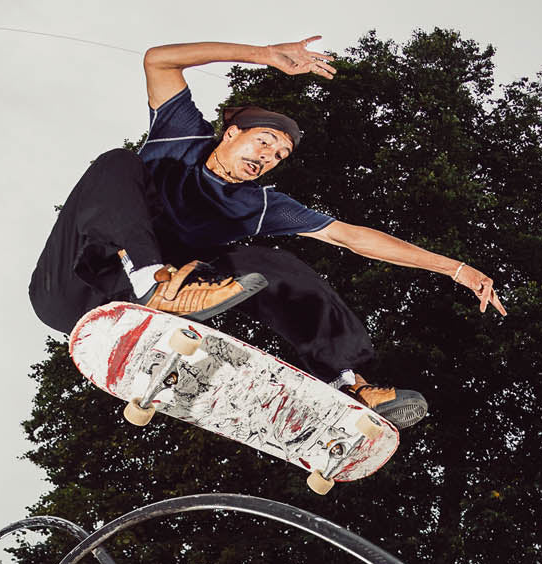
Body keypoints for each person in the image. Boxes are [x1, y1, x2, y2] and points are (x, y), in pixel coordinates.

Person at [29, 36, 506, 429]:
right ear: (230, 133)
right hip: (71, 284)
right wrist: (264, 56)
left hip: (146, 303)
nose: (267, 157)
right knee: (118, 162)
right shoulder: (181, 134)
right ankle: (153, 282)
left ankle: (347, 386)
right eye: (263, 142)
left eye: (279, 156)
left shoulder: (258, 204)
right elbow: (158, 59)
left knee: (273, 264)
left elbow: (350, 236)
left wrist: (455, 268)